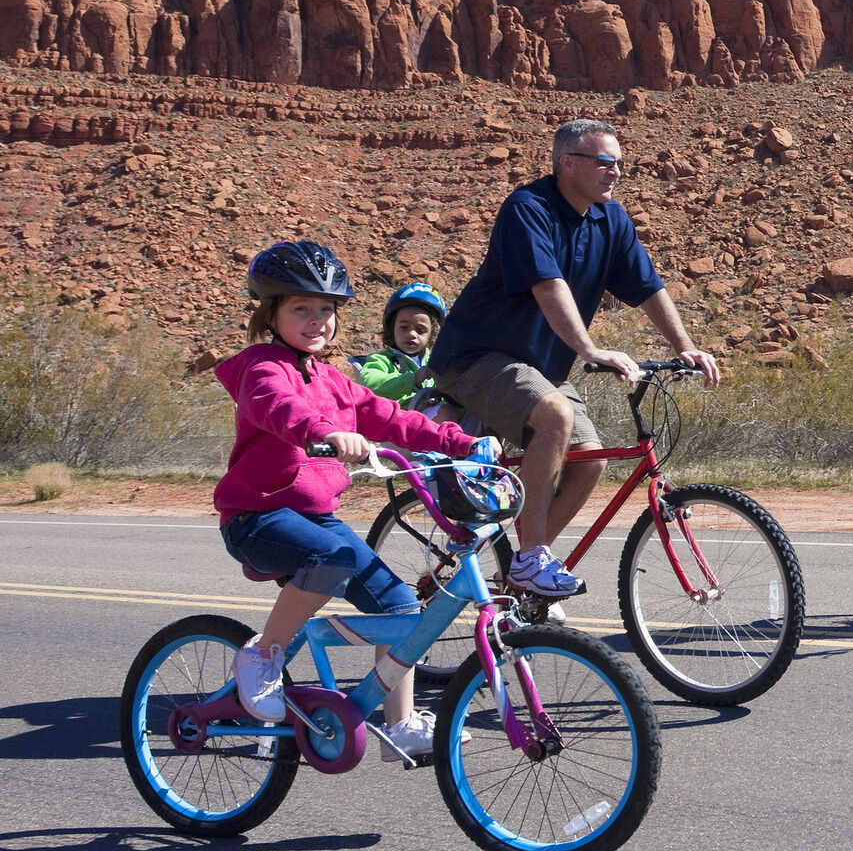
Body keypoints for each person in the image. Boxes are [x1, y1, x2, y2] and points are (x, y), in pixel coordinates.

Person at [213, 241, 487, 760]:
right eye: (301, 309)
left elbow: (393, 417)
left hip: (314, 517)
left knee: (403, 607)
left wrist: (464, 443)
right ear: (270, 314)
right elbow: (280, 408)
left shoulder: (335, 380)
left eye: (326, 311)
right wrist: (325, 432)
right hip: (256, 516)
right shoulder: (261, 367)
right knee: (331, 558)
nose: (317, 320)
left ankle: (400, 725)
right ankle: (262, 654)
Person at [428, 118, 720, 596]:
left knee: (590, 459)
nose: (617, 172)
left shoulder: (611, 219)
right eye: (605, 162)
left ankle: (523, 572)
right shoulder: (529, 208)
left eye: (621, 163)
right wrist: (589, 350)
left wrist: (683, 347)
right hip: (477, 357)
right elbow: (548, 285)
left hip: (538, 368)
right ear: (568, 163)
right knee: (556, 416)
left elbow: (648, 288)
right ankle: (530, 561)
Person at [348, 282, 446, 403]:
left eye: (421, 330)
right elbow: (368, 381)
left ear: (432, 334)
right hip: (399, 418)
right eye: (404, 327)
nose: (412, 334)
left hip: (432, 415)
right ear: (392, 327)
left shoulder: (433, 362)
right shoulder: (382, 359)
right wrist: (412, 379)